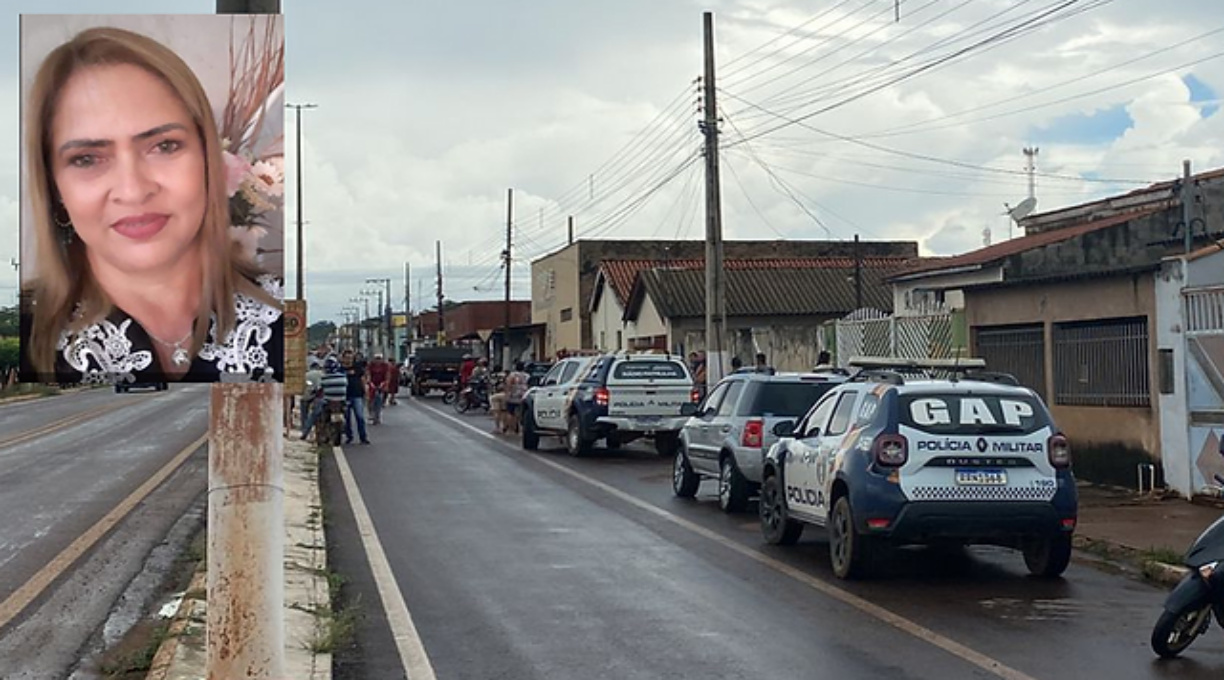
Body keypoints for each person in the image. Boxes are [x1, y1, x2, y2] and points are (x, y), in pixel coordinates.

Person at [20, 26, 283, 385]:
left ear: (208, 159)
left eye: (164, 146)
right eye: (86, 159)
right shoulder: (21, 336)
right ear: (54, 187)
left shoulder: (287, 317)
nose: (133, 190)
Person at [340, 349, 370, 445]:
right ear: (343, 358)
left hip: (357, 395)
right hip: (345, 396)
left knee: (360, 417)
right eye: (347, 358)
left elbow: (362, 379)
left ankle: (363, 437)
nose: (348, 360)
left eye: (350, 358)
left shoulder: (357, 367)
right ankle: (349, 436)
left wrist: (366, 392)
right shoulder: (340, 369)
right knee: (347, 418)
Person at [504, 360, 530, 434]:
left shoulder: (512, 375)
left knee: (510, 412)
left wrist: (507, 394)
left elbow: (508, 384)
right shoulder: (527, 375)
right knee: (520, 412)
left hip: (513, 395)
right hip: (523, 395)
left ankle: (511, 428)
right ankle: (520, 428)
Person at [366, 353, 390, 425]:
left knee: (380, 399)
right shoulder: (370, 365)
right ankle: (371, 413)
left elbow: (387, 375)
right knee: (370, 399)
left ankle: (378, 415)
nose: (378, 360)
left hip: (381, 384)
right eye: (376, 358)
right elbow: (368, 374)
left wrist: (384, 383)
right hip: (372, 384)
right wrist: (370, 383)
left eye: (379, 358)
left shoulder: (385, 366)